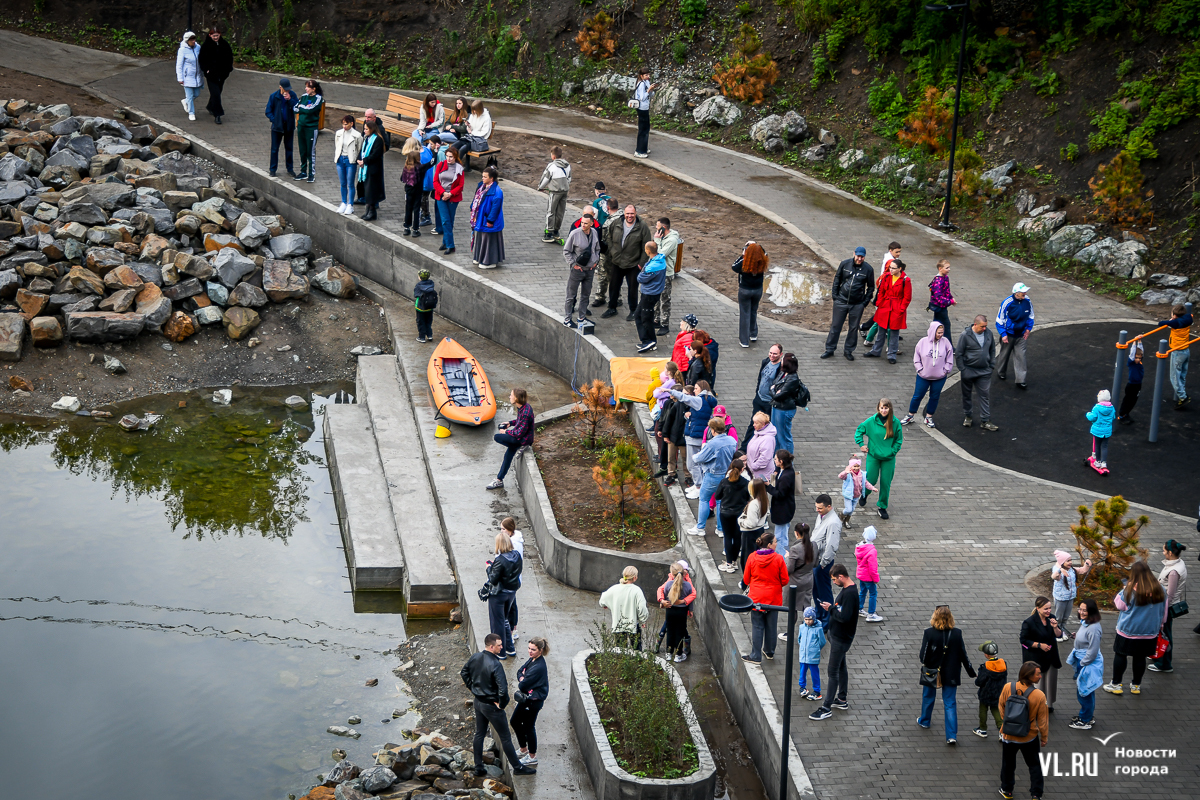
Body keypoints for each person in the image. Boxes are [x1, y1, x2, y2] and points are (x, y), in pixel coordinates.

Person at [460, 633, 537, 776]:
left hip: (479, 703)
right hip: (492, 706)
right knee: (505, 738)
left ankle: (478, 767)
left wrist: (474, 690)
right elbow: (503, 689)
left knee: (479, 734)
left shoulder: (475, 657)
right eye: (499, 645)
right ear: (491, 646)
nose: (502, 647)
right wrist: (502, 704)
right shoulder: (496, 664)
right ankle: (518, 768)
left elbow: (464, 673)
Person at [1102, 561, 1167, 694]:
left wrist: (1125, 588)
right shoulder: (1161, 590)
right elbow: (1164, 612)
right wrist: (1160, 625)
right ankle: (1136, 685)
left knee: (1120, 655)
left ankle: (1116, 684)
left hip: (1128, 631)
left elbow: (1119, 605)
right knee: (1140, 658)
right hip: (1150, 632)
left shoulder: (1131, 591)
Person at [918, 604, 976, 744]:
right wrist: (970, 671)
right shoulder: (957, 633)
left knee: (928, 696)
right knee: (950, 703)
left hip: (932, 672)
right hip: (951, 673)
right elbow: (963, 654)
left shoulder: (929, 633)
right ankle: (951, 736)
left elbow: (923, 656)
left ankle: (925, 721)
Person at [808, 563, 858, 720]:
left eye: (835, 579)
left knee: (832, 671)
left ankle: (826, 707)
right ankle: (842, 699)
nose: (834, 582)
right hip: (837, 637)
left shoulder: (850, 594)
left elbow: (845, 617)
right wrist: (831, 608)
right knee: (841, 667)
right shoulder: (846, 590)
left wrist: (831, 609)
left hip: (841, 639)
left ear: (842, 577)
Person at [997, 662, 1049, 800]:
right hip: (1029, 736)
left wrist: (1007, 723)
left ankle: (1007, 790)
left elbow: (1001, 706)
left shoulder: (1009, 687)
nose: (1040, 676)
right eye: (1038, 674)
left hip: (1009, 735)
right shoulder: (1039, 695)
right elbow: (1043, 721)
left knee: (1008, 764)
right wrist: (1044, 737)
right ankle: (1036, 794)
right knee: (1035, 765)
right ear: (1029, 676)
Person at [741, 531, 789, 664]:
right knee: (772, 625)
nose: (776, 544)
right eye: (775, 542)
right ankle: (769, 651)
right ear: (769, 545)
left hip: (756, 598)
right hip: (773, 598)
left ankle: (756, 656)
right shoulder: (778, 559)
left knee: (757, 626)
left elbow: (745, 579)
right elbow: (785, 580)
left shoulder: (752, 557)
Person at [854, 398, 903, 520]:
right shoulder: (871, 421)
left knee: (886, 483)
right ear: (878, 408)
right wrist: (861, 445)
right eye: (882, 408)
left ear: (890, 409)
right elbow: (859, 431)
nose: (884, 410)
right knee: (871, 479)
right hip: (873, 457)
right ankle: (864, 494)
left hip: (889, 458)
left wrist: (893, 451)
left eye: (886, 408)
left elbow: (899, 440)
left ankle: (882, 507)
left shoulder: (895, 423)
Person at [686, 417, 737, 536]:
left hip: (712, 474)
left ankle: (700, 528)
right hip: (726, 474)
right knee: (720, 502)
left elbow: (699, 458)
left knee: (704, 499)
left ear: (713, 430)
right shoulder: (731, 440)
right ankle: (720, 529)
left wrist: (695, 456)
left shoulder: (712, 443)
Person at [822, 246, 875, 360]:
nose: (860, 259)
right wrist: (835, 296)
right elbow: (837, 279)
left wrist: (864, 303)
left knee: (853, 328)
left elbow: (871, 288)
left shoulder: (868, 269)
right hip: (841, 301)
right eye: (858, 256)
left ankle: (848, 351)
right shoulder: (845, 264)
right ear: (854, 254)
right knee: (835, 326)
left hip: (857, 304)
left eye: (862, 257)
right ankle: (830, 349)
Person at [601, 205, 653, 319]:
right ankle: (612, 308)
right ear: (624, 213)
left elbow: (647, 247)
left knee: (632, 289)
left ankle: (633, 311)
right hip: (617, 262)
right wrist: (612, 251)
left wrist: (641, 264)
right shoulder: (616, 223)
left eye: (632, 214)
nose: (629, 216)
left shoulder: (642, 227)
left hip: (633, 264)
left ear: (635, 214)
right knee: (614, 287)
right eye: (627, 214)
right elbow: (608, 236)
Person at [901, 321, 954, 428]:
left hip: (939, 377)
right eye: (938, 333)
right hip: (923, 376)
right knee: (917, 396)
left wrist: (946, 370)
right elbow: (916, 357)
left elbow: (949, 357)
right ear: (933, 332)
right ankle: (911, 415)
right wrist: (920, 369)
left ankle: (929, 417)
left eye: (942, 332)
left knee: (934, 397)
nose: (941, 335)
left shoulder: (946, 342)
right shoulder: (922, 342)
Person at [669, 379, 717, 496]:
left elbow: (685, 398)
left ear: (702, 389)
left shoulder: (699, 400)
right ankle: (698, 485)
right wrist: (689, 417)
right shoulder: (708, 400)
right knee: (699, 463)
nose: (694, 391)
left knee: (692, 464)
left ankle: (699, 486)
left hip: (694, 436)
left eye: (695, 388)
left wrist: (669, 391)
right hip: (699, 435)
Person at [1149, 539, 1187, 673]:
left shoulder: (1173, 572)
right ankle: (1159, 656)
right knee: (1164, 633)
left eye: (1164, 550)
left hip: (1166, 607)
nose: (1163, 552)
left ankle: (1164, 664)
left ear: (1170, 553)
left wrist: (1162, 615)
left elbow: (1169, 595)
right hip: (1166, 605)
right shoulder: (1178, 563)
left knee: (1165, 635)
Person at [956, 315, 999, 431]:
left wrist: (991, 366)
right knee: (967, 395)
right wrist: (963, 370)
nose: (984, 329)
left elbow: (992, 350)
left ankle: (985, 420)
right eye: (982, 326)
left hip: (984, 371)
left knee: (984, 396)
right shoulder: (965, 335)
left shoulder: (988, 333)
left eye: (985, 326)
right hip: (968, 371)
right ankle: (968, 416)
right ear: (975, 325)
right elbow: (959, 353)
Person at [510, 637, 549, 767]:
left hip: (533, 701)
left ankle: (532, 756)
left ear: (540, 650)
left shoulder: (539, 666)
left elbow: (523, 685)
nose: (530, 651)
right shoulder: (533, 660)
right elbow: (520, 671)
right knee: (515, 721)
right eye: (529, 648)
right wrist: (523, 677)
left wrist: (522, 679)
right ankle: (523, 749)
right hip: (528, 698)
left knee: (529, 727)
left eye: (533, 649)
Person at [1020, 596, 1062, 711]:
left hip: (1051, 657)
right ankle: (1037, 706)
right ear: (1038, 608)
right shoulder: (1029, 622)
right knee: (1039, 683)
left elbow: (1059, 635)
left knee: (1050, 683)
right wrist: (1039, 645)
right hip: (1037, 659)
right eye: (1045, 609)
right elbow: (1024, 640)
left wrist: (1055, 628)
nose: (1049, 611)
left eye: (1049, 608)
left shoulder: (1052, 619)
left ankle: (1048, 705)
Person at [865, 258, 912, 364]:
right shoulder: (886, 277)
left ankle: (892, 354)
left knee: (894, 332)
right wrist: (879, 303)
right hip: (885, 306)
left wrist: (901, 309)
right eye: (890, 267)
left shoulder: (906, 280)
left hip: (896, 308)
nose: (890, 270)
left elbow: (907, 298)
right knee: (881, 330)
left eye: (893, 268)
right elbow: (881, 290)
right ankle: (876, 351)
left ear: (900, 269)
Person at [1066, 599, 1104, 730]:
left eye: (1084, 610)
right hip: (1084, 661)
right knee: (1087, 690)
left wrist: (1082, 663)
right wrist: (1078, 637)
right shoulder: (1087, 623)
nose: (1081, 612)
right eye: (1080, 609)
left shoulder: (1093, 628)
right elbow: (1086, 639)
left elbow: (1093, 651)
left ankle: (1085, 720)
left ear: (1091, 611)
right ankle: (1087, 716)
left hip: (1087, 664)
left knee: (1084, 692)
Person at [486, 388, 533, 490]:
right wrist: (510, 423)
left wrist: (506, 432)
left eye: (511, 395)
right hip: (520, 439)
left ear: (516, 398)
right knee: (508, 455)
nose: (509, 397)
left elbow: (519, 433)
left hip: (523, 440)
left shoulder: (526, 412)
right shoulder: (523, 407)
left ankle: (519, 446)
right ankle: (499, 480)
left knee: (497, 437)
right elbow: (519, 422)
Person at [486, 533, 522, 657]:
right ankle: (510, 648)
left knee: (498, 623)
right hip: (511, 592)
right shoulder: (517, 555)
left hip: (499, 595)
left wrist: (489, 568)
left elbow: (493, 579)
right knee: (505, 620)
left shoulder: (500, 560)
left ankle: (500, 652)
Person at [562, 212, 601, 328]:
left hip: (590, 270)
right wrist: (573, 264)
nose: (583, 225)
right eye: (582, 223)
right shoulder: (574, 234)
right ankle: (567, 319)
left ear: (591, 224)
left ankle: (581, 318)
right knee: (571, 295)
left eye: (585, 223)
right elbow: (566, 251)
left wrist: (596, 261)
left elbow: (597, 249)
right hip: (577, 270)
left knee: (586, 294)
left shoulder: (594, 232)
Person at [779, 522, 815, 642]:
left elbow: (789, 569)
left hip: (795, 583)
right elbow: (816, 563)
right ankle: (809, 631)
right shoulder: (814, 545)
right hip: (808, 580)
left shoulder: (795, 549)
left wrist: (788, 557)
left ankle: (789, 634)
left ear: (796, 533)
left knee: (792, 607)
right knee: (806, 606)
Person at [713, 461, 751, 573]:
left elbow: (717, 496)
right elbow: (748, 497)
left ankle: (728, 563)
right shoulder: (746, 483)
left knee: (728, 537)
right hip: (739, 513)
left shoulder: (724, 482)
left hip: (725, 513)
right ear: (742, 470)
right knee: (738, 537)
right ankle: (734, 561)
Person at [810, 493, 841, 627]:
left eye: (820, 508)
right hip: (816, 560)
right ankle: (819, 613)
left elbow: (831, 545)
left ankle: (826, 620)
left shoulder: (833, 522)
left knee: (824, 591)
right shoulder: (822, 515)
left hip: (822, 563)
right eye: (816, 507)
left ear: (829, 507)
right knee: (816, 590)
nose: (817, 510)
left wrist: (823, 563)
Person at [995, 282, 1035, 389]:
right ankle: (1001, 372)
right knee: (1004, 354)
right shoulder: (1007, 303)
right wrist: (1003, 334)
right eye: (1023, 292)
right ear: (1016, 293)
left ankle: (1020, 380)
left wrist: (1028, 329)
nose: (1025, 293)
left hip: (1021, 335)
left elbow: (1031, 316)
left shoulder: (1027, 300)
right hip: (1009, 334)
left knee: (1021, 356)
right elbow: (999, 320)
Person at [599, 566, 649, 649]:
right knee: (636, 650)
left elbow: (602, 600)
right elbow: (642, 607)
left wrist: (605, 605)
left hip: (618, 625)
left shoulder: (614, 588)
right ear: (635, 578)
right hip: (633, 625)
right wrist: (643, 619)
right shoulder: (637, 590)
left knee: (620, 651)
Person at [657, 563, 696, 661]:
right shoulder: (687, 585)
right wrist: (690, 610)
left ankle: (668, 653)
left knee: (670, 631)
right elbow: (690, 598)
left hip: (670, 610)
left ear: (671, 573)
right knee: (680, 632)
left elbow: (665, 594)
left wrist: (664, 603)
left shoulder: (668, 584)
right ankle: (678, 655)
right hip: (682, 611)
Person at [732, 242, 768, 348]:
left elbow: (734, 266)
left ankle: (744, 340)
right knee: (753, 311)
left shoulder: (744, 262)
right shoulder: (762, 260)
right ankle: (753, 334)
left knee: (745, 314)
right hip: (757, 290)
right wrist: (757, 246)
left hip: (745, 290)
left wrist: (743, 255)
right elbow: (765, 253)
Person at [1050, 550, 1092, 640]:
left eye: (1070, 560)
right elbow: (1054, 576)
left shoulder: (1072, 570)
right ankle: (1056, 633)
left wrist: (1087, 565)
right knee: (1059, 617)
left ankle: (1062, 630)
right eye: (1068, 561)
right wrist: (1060, 571)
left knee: (1065, 617)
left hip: (1070, 597)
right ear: (1062, 562)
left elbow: (1082, 570)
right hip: (1061, 598)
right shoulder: (1057, 569)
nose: (1070, 562)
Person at [591, 196, 624, 309]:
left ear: (608, 207)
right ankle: (617, 297)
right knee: (615, 276)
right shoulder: (624, 217)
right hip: (620, 252)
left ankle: (601, 296)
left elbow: (604, 238)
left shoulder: (609, 222)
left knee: (603, 274)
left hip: (609, 252)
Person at [1158, 303, 1193, 409]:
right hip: (1186, 350)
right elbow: (1186, 317)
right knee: (1182, 374)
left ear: (1175, 315)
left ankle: (1183, 397)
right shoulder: (1188, 318)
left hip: (1177, 352)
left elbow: (1161, 323)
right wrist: (1173, 320)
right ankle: (1183, 394)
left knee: (1174, 376)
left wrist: (1171, 320)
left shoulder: (1176, 323)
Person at [470, 166, 505, 269]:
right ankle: (479, 257)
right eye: (482, 176)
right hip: (481, 219)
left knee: (489, 240)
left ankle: (489, 261)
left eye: (485, 177)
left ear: (491, 179)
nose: (482, 178)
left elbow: (495, 208)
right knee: (481, 238)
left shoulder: (497, 192)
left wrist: (490, 220)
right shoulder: (482, 187)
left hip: (488, 221)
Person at [635, 241, 667, 352]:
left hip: (649, 294)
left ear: (648, 251)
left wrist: (641, 273)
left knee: (646, 318)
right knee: (638, 315)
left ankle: (650, 341)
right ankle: (646, 340)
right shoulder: (659, 260)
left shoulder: (653, 267)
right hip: (651, 293)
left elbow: (640, 278)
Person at [972, 641, 1008, 739]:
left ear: (987, 655)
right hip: (999, 692)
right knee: (996, 709)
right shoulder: (1003, 664)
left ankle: (983, 729)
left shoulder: (985, 667)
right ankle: (1002, 730)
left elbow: (979, 682)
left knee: (983, 710)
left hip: (986, 693)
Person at [433, 145, 465, 254]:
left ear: (455, 157)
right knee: (445, 220)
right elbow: (435, 181)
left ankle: (445, 242)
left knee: (449, 221)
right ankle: (451, 245)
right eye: (447, 156)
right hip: (441, 196)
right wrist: (443, 192)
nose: (448, 159)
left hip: (453, 198)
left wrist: (450, 194)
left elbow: (460, 186)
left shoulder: (459, 168)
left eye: (451, 157)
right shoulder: (441, 165)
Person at [768, 352, 803, 454]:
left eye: (782, 360)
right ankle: (777, 459)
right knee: (776, 434)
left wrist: (773, 390)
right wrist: (774, 390)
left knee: (783, 436)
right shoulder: (784, 373)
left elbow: (777, 395)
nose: (781, 361)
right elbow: (773, 386)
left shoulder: (793, 378)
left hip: (784, 410)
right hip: (777, 407)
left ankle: (787, 461)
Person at [764, 449, 796, 554]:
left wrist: (768, 486)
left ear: (781, 461)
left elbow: (780, 494)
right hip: (785, 509)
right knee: (783, 535)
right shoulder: (786, 470)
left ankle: (781, 558)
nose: (774, 460)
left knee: (780, 537)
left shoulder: (786, 477)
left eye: (776, 459)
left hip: (783, 511)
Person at [198, 26, 232, 124]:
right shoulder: (206, 46)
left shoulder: (225, 45)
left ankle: (210, 106)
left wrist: (228, 70)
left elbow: (229, 58)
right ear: (210, 35)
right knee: (216, 93)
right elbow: (202, 59)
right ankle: (218, 114)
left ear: (219, 35)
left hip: (222, 74)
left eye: (217, 35)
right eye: (214, 36)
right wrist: (206, 69)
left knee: (218, 92)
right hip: (211, 75)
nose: (215, 37)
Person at [653, 218, 681, 336]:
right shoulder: (662, 237)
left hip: (666, 273)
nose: (656, 228)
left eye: (657, 226)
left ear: (663, 228)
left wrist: (657, 241)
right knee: (655, 297)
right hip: (657, 271)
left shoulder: (672, 240)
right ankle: (656, 319)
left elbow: (660, 255)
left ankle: (665, 324)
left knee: (665, 299)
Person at [737, 478, 772, 572]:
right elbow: (767, 513)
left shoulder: (753, 504)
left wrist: (741, 521)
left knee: (747, 559)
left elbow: (751, 523)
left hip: (749, 534)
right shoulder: (765, 499)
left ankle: (747, 582)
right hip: (760, 530)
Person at [538, 146, 571, 244]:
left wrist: (540, 187)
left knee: (551, 211)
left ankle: (549, 232)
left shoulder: (551, 166)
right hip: (564, 191)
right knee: (560, 212)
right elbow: (569, 178)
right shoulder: (567, 165)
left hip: (555, 192)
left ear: (553, 156)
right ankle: (556, 230)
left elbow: (545, 179)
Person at [265, 77, 296, 177]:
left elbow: (297, 107)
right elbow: (268, 111)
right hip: (277, 127)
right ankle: (273, 169)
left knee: (289, 148)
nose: (287, 91)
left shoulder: (292, 95)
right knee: (274, 149)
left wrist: (290, 100)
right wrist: (275, 120)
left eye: (288, 89)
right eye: (285, 89)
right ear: (280, 88)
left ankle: (290, 168)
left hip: (289, 127)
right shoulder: (274, 96)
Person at [332, 115, 363, 215]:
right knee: (343, 183)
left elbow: (359, 148)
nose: (344, 126)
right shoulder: (339, 133)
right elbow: (337, 145)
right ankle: (343, 202)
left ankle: (350, 205)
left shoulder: (357, 135)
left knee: (350, 183)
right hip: (340, 159)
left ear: (351, 124)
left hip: (350, 161)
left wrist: (354, 158)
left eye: (346, 124)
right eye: (343, 124)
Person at [356, 118, 385, 220]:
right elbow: (362, 150)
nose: (364, 131)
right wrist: (359, 159)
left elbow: (375, 155)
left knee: (371, 191)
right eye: (364, 129)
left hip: (373, 169)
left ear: (372, 129)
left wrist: (364, 161)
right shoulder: (366, 138)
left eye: (366, 129)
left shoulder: (377, 140)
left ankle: (372, 211)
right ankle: (367, 210)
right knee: (367, 190)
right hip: (366, 168)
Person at [796, 607, 827, 701]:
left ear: (814, 618)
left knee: (814, 674)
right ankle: (802, 687)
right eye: (806, 619)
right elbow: (799, 639)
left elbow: (822, 641)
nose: (808, 621)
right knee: (802, 672)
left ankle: (817, 691)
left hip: (813, 656)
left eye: (810, 619)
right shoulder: (802, 627)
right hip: (803, 655)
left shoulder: (818, 629)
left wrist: (816, 649)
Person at [295, 80, 323, 183]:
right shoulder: (303, 97)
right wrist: (304, 108)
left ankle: (311, 173)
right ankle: (303, 172)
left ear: (313, 89)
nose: (305, 89)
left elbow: (310, 110)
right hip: (301, 127)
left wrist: (302, 108)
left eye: (307, 87)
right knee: (302, 150)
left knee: (310, 151)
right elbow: (295, 108)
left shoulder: (318, 98)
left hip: (311, 128)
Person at [854, 526, 883, 623]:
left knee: (862, 591)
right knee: (873, 594)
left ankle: (859, 608)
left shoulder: (859, 547)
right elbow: (872, 567)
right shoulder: (872, 551)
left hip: (861, 575)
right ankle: (871, 614)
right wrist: (876, 579)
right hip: (868, 577)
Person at [837, 456, 874, 530]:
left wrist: (872, 488)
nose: (856, 468)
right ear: (851, 466)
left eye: (858, 466)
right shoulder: (848, 474)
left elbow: (865, 483)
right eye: (854, 466)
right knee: (848, 509)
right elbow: (840, 476)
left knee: (852, 510)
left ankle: (846, 520)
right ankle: (841, 515)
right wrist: (845, 472)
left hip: (856, 495)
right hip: (848, 495)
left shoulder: (862, 474)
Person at [1085, 389, 1116, 473]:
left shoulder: (1097, 408)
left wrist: (1088, 414)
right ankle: (1104, 463)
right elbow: (1113, 417)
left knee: (1097, 445)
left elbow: (1093, 417)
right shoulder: (1111, 408)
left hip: (1097, 431)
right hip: (1107, 431)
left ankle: (1097, 461)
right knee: (1104, 446)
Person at [175, 32, 203, 123]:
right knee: (190, 96)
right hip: (187, 77)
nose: (194, 41)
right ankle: (191, 113)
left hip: (197, 76)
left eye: (194, 39)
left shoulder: (198, 47)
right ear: (187, 40)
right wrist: (180, 78)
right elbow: (179, 65)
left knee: (197, 94)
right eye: (192, 40)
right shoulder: (182, 50)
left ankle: (185, 101)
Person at [1116, 341, 1145, 424]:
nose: (1138, 359)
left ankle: (1126, 413)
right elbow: (1132, 354)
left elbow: (1141, 351)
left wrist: (1140, 342)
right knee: (1127, 400)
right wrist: (1134, 343)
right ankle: (1122, 415)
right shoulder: (1131, 363)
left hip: (1138, 384)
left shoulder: (1139, 362)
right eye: (1137, 358)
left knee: (1133, 401)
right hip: (1131, 385)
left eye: (1139, 358)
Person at [752, 344, 783, 420]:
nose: (772, 355)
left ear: (781, 354)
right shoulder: (765, 362)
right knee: (754, 423)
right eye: (770, 353)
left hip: (769, 402)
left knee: (768, 425)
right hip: (759, 398)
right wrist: (757, 393)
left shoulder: (781, 369)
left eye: (775, 354)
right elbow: (760, 378)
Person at [400, 138, 423, 237]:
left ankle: (406, 227)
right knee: (416, 209)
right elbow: (431, 163)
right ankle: (416, 229)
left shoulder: (407, 166)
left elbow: (402, 178)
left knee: (408, 208)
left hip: (409, 189)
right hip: (418, 190)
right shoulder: (420, 167)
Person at [745, 412, 777, 481]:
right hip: (756, 473)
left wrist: (753, 466)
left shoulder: (767, 439)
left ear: (763, 424)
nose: (753, 425)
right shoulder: (758, 433)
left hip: (763, 476)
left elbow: (765, 458)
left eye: (756, 423)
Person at [633, 68, 656, 158]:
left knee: (646, 128)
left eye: (649, 75)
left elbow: (651, 95)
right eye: (646, 75)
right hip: (641, 108)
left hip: (646, 108)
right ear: (641, 76)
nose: (648, 76)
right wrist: (648, 90)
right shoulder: (641, 84)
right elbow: (642, 98)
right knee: (643, 129)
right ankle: (639, 151)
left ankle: (644, 148)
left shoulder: (646, 82)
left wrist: (651, 89)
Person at [927, 258, 955, 332]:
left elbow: (947, 291)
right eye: (947, 268)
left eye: (949, 267)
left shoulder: (945, 277)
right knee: (945, 325)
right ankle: (946, 342)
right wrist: (950, 301)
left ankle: (934, 337)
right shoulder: (938, 281)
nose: (949, 269)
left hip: (943, 305)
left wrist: (951, 298)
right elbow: (938, 297)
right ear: (940, 269)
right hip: (939, 306)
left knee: (937, 323)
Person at [413, 269, 438, 343]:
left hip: (420, 307)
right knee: (428, 321)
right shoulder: (431, 283)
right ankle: (429, 335)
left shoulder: (418, 285)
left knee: (421, 322)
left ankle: (422, 337)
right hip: (430, 307)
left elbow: (416, 294)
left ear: (420, 277)